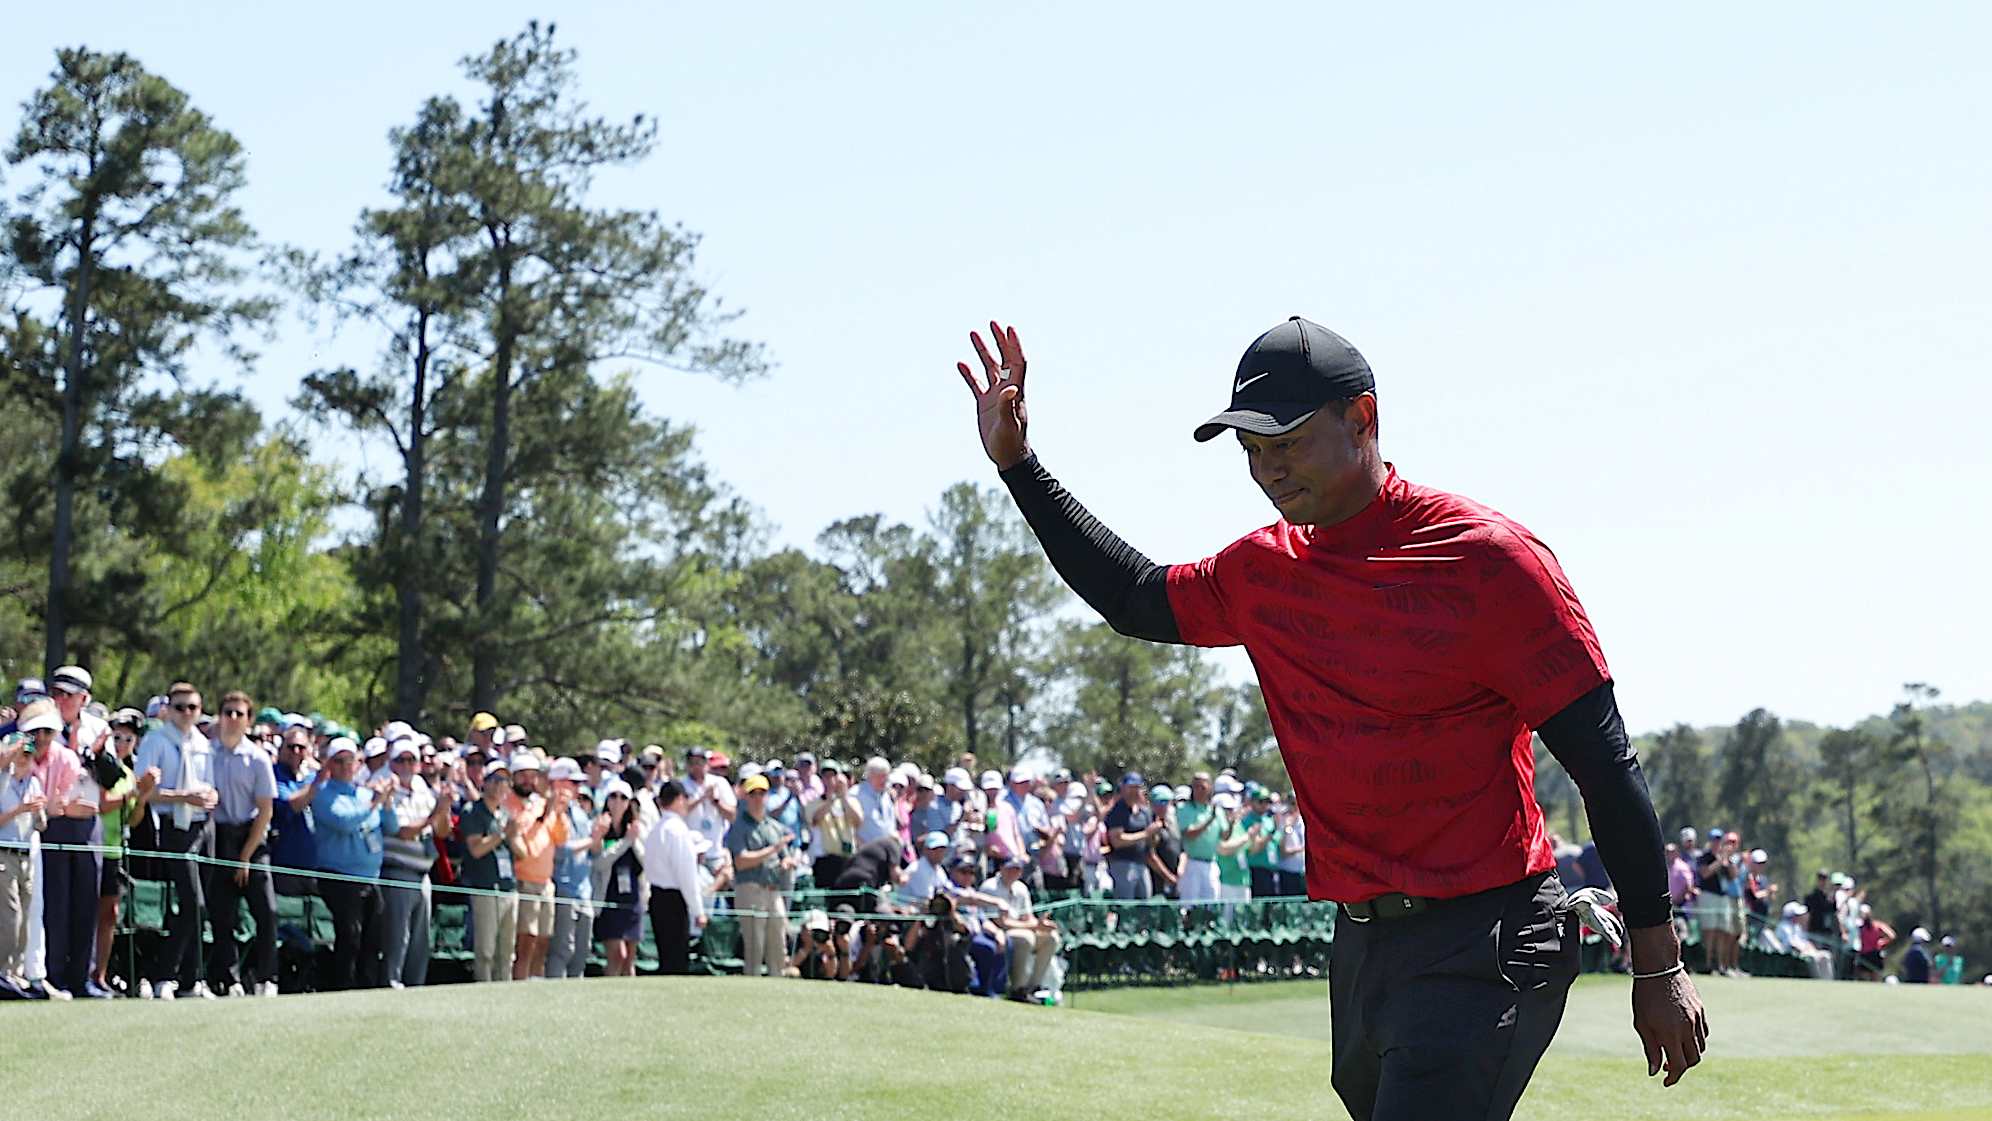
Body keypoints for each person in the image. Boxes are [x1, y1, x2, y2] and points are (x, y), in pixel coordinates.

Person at [955, 316, 1705, 1115]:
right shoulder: (1262, 569)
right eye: (1251, 450)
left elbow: (1604, 763)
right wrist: (1019, 466)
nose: (1267, 470)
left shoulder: (1490, 561)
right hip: (1363, 945)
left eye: (1287, 443)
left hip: (1489, 934)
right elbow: (1135, 597)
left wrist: (1658, 965)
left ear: (1363, 420)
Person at [132, 682, 218, 1000]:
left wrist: (209, 796)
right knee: (192, 902)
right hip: (173, 826)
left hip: (203, 826)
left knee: (202, 906)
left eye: (192, 707)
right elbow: (144, 791)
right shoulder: (156, 740)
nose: (186, 714)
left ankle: (192, 979)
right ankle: (163, 975)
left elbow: (207, 786)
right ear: (169, 709)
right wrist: (185, 797)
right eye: (180, 707)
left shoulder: (203, 743)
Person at [206, 691, 281, 997]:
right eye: (228, 712)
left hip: (252, 838)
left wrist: (246, 857)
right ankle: (230, 979)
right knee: (222, 915)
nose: (233, 718)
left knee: (267, 911)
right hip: (219, 836)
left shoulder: (258, 758)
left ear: (249, 720)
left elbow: (266, 811)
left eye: (239, 714)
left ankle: (267, 978)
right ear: (219, 716)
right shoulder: (207, 753)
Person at [311, 738, 391, 991]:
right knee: (350, 937)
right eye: (339, 760)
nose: (346, 766)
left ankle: (367, 988)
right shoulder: (324, 795)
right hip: (340, 876)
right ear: (329, 764)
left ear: (359, 764)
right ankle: (343, 987)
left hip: (370, 877)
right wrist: (374, 803)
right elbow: (344, 821)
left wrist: (386, 804)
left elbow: (392, 826)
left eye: (351, 760)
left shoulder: (366, 793)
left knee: (373, 939)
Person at [379, 741, 451, 988]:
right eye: (402, 760)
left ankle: (415, 985)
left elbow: (441, 832)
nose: (407, 765)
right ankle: (392, 982)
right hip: (398, 870)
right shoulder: (389, 790)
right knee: (398, 936)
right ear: (392, 763)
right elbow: (402, 831)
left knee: (420, 940)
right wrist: (433, 817)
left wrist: (444, 811)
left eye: (412, 760)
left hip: (423, 873)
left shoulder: (422, 789)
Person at [89, 708, 149, 996]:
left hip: (114, 850)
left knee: (110, 913)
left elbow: (133, 819)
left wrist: (143, 796)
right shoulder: (103, 766)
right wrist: (133, 793)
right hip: (93, 847)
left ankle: (99, 975)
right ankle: (84, 970)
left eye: (129, 738)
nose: (123, 742)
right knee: (89, 911)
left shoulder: (127, 774)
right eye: (118, 737)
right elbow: (102, 804)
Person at [726, 773, 796, 978]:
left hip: (773, 889)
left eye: (762, 793)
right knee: (754, 945)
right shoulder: (739, 826)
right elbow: (740, 861)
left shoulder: (773, 826)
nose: (758, 798)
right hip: (750, 888)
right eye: (753, 794)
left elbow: (785, 856)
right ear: (746, 797)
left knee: (778, 941)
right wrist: (772, 850)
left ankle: (778, 981)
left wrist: (787, 861)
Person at [505, 753, 566, 980]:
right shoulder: (509, 803)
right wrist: (542, 814)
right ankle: (520, 983)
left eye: (532, 776)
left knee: (543, 939)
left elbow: (560, 837)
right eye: (523, 776)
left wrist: (556, 813)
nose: (528, 781)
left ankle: (536, 982)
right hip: (524, 880)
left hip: (545, 882)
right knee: (526, 940)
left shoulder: (541, 803)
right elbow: (519, 831)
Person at [458, 764, 519, 983]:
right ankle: (483, 989)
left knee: (507, 950)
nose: (500, 786)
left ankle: (505, 990)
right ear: (485, 782)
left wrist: (513, 835)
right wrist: (503, 834)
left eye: (505, 781)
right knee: (485, 951)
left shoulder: (505, 814)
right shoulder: (473, 812)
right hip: (485, 887)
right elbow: (476, 848)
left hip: (508, 886)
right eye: (496, 780)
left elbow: (520, 852)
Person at [637, 781, 704, 975]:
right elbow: (686, 874)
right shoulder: (677, 830)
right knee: (677, 958)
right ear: (680, 799)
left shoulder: (656, 830)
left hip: (657, 896)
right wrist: (698, 910)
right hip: (674, 899)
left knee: (665, 956)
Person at [1, 731, 47, 996]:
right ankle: (2, 971)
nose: (24, 758)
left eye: (28, 754)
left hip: (26, 856)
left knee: (25, 919)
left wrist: (41, 813)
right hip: (3, 854)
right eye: (20, 753)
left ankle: (15, 973)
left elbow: (41, 824)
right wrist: (20, 810)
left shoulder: (33, 783)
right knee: (10, 917)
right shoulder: (2, 781)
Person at [984, 857, 1061, 1001]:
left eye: (1017, 869)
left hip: (1020, 928)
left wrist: (1041, 924)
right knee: (1026, 938)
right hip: (997, 931)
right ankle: (1018, 988)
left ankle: (1033, 986)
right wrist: (1034, 926)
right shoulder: (990, 887)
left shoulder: (1021, 888)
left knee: (1051, 937)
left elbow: (1027, 917)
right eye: (1010, 868)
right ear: (1001, 869)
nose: (1013, 872)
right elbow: (1001, 922)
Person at [590, 780, 644, 977]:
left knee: (630, 957)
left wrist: (634, 840)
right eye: (613, 796)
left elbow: (646, 861)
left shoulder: (636, 826)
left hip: (633, 899)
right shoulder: (600, 827)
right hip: (608, 900)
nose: (618, 802)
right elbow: (599, 863)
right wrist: (626, 842)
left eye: (623, 797)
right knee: (617, 955)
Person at [1102, 773, 1162, 900]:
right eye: (1130, 788)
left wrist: (1154, 835)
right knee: (1127, 906)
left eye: (1137, 787)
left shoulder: (1145, 812)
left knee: (1145, 904)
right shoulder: (1118, 811)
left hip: (1142, 863)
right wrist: (1145, 834)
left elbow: (1151, 840)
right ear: (1123, 788)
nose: (1134, 792)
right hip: (1122, 864)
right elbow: (1117, 840)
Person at [806, 763, 861, 890]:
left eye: (833, 776)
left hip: (847, 858)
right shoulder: (813, 803)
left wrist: (843, 798)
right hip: (825, 859)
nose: (830, 780)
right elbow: (815, 820)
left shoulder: (851, 801)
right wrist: (830, 800)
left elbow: (858, 821)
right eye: (826, 776)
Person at [1174, 772, 1223, 906]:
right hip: (1192, 863)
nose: (1199, 791)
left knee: (1211, 903)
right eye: (1195, 787)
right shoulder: (1184, 809)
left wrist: (1231, 823)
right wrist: (1209, 821)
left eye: (1202, 787)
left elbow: (1224, 836)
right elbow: (1189, 834)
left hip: (1211, 863)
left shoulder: (1216, 811)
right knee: (1189, 904)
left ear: (1210, 788)